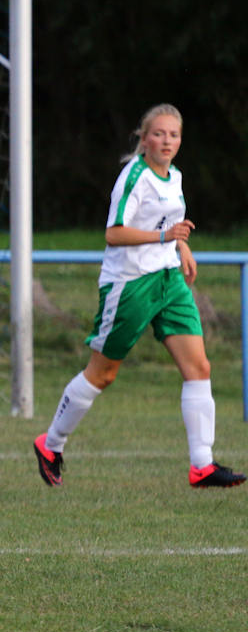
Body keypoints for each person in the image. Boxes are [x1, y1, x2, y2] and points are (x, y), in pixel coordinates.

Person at [33, 104, 245, 489]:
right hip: (130, 283)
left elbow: (170, 223)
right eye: (159, 134)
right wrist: (165, 239)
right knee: (103, 373)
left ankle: (202, 465)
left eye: (174, 135)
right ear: (143, 138)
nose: (167, 141)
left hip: (168, 281)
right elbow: (114, 233)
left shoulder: (175, 176)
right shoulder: (133, 177)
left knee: (199, 367)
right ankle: (51, 443)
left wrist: (182, 249)